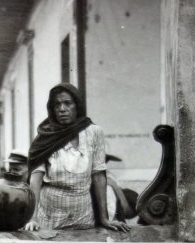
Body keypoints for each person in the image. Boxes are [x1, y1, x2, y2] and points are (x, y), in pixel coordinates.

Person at [25, 83, 129, 232]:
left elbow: (99, 175)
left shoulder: (94, 132)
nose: (62, 109)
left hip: (84, 217)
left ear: (77, 106)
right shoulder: (45, 137)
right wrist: (32, 218)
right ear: (52, 109)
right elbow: (36, 180)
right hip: (49, 218)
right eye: (57, 105)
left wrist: (105, 218)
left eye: (67, 103)